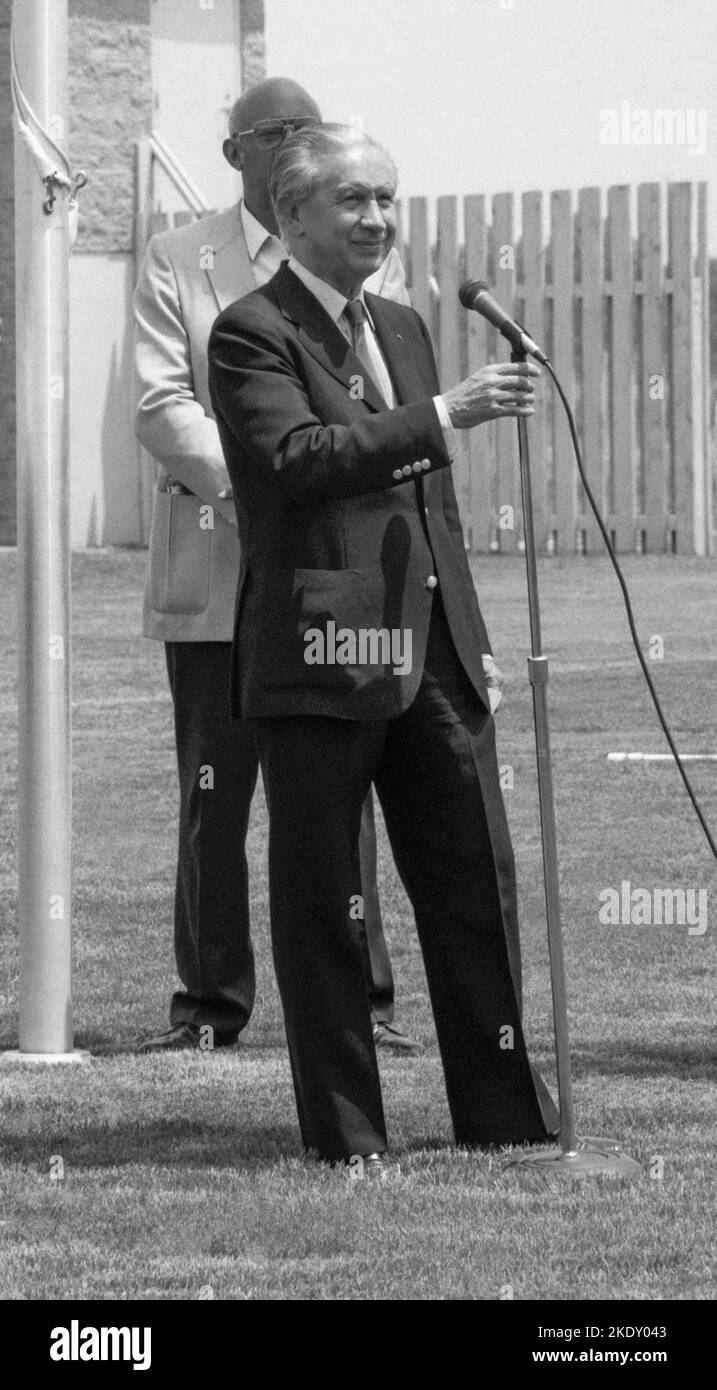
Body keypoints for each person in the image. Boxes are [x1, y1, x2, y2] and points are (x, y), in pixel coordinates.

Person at [207, 124, 560, 1169]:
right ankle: (349, 1134)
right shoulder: (249, 333)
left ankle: (503, 1116)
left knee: (474, 881)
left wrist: (473, 634)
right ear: (292, 214)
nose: (377, 220)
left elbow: (433, 502)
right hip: (320, 653)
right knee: (329, 905)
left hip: (433, 653)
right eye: (354, 200)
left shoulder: (403, 325)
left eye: (388, 201)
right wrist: (441, 414)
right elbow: (303, 458)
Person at [133, 79, 419, 1054]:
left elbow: (385, 407)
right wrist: (259, 488)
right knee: (217, 794)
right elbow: (162, 404)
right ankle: (212, 1003)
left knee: (344, 791)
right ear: (236, 156)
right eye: (276, 133)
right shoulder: (179, 259)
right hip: (219, 571)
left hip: (334, 575)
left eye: (309, 128)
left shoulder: (363, 264)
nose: (298, 142)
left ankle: (365, 999)